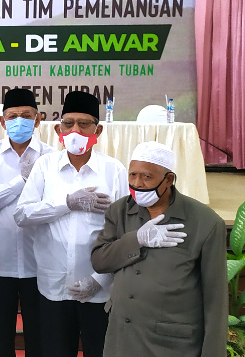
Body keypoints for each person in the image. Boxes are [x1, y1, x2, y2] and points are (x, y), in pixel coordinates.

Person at [14, 91, 128, 357]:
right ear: (59, 129)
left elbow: (125, 233)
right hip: (54, 287)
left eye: (84, 124)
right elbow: (22, 216)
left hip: (100, 290)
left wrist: (100, 280)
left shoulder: (114, 171)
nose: (75, 130)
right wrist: (66, 203)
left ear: (98, 130)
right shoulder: (45, 166)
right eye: (69, 123)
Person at [91, 141, 226, 357]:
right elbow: (100, 261)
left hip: (171, 345)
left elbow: (215, 300)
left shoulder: (205, 223)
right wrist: (136, 239)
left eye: (147, 176)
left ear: (169, 179)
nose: (137, 183)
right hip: (122, 339)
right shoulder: (120, 211)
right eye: (132, 175)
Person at [0, 88, 54, 357]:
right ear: (2, 121)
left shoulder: (51, 157)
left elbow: (51, 203)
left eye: (26, 115)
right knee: (0, 339)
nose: (19, 121)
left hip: (39, 262)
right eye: (12, 116)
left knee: (38, 339)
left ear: (38, 119)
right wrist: (21, 182)